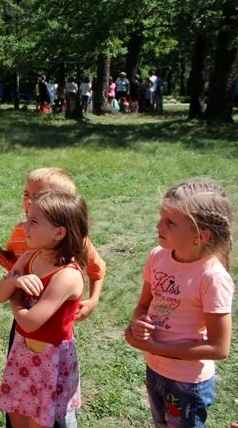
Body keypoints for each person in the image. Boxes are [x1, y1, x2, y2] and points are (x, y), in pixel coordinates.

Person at [0, 167, 106, 428]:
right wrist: (15, 281)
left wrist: (14, 296)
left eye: (33, 221)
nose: (24, 226)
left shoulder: (67, 276)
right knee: (17, 414)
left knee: (42, 421)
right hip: (23, 355)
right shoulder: (31, 256)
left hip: (49, 362)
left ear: (59, 233)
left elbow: (29, 322)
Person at [125, 178, 233, 428]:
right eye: (161, 217)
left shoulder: (212, 278)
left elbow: (219, 348)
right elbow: (143, 305)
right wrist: (138, 323)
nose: (158, 225)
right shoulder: (157, 257)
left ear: (200, 235)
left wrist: (155, 347)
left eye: (170, 222)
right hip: (155, 369)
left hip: (188, 383)